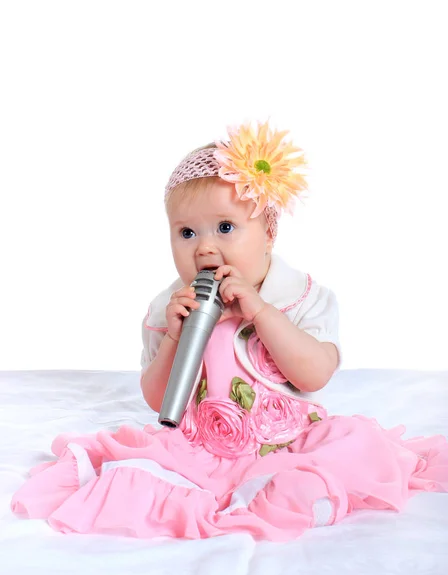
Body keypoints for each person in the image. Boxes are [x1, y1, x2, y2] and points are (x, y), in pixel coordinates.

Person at [11, 122, 448, 541]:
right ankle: (242, 497)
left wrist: (260, 312)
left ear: (269, 234)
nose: (204, 246)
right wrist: (175, 339)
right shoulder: (170, 308)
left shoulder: (299, 296)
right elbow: (159, 400)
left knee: (353, 444)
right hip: (201, 443)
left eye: (225, 227)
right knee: (148, 474)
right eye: (186, 232)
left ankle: (292, 493)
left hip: (288, 436)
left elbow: (314, 374)